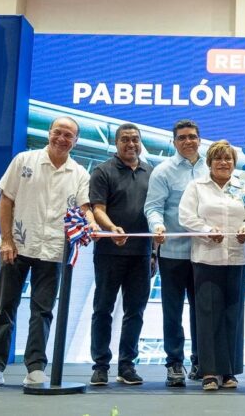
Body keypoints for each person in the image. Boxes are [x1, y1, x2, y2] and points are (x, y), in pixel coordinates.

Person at [0, 117, 98, 388]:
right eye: (58, 133)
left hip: (54, 250)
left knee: (42, 311)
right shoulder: (24, 161)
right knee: (5, 307)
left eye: (69, 135)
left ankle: (35, 368)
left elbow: (85, 208)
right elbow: (5, 199)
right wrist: (7, 240)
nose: (62, 139)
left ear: (75, 141)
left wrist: (92, 226)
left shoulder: (79, 172)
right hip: (17, 246)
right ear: (49, 134)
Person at [179, 140, 245, 391]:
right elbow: (186, 216)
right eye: (218, 159)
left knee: (233, 315)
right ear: (210, 162)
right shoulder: (197, 187)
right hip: (206, 258)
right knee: (207, 315)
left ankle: (229, 371)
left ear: (234, 163)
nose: (224, 163)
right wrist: (205, 230)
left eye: (228, 159)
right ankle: (210, 372)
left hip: (238, 258)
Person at [144, 119, 208, 387]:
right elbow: (153, 207)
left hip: (206, 253)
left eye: (192, 136)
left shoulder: (212, 167)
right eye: (182, 138)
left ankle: (201, 361)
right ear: (174, 142)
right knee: (172, 312)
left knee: (202, 311)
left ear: (199, 139)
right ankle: (174, 364)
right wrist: (156, 225)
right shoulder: (162, 171)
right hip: (173, 253)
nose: (188, 141)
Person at [88, 123, 153, 386]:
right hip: (109, 252)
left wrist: (155, 252)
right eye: (125, 139)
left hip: (142, 254)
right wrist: (111, 227)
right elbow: (97, 209)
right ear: (116, 143)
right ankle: (100, 365)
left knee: (135, 311)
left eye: (135, 140)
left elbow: (156, 209)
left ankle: (127, 365)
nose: (131, 144)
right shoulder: (103, 171)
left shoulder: (151, 172)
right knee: (103, 309)